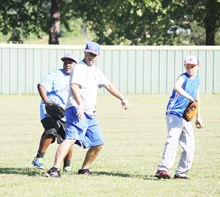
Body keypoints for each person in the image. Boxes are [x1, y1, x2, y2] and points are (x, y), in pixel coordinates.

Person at [45, 41, 130, 178]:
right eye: (88, 53)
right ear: (84, 52)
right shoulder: (79, 68)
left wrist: (122, 98)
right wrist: (80, 104)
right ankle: (55, 169)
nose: (90, 56)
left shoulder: (96, 71)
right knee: (71, 138)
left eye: (93, 54)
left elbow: (108, 85)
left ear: (98, 55)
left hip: (89, 112)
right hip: (76, 109)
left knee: (98, 143)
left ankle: (84, 169)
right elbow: (74, 87)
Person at [155, 55, 204, 179]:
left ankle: (181, 173)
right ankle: (162, 169)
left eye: (192, 66)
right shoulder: (183, 77)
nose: (190, 69)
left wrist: (199, 117)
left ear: (198, 66)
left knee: (190, 145)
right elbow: (177, 87)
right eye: (187, 66)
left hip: (185, 117)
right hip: (174, 112)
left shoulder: (197, 81)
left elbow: (197, 99)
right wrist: (190, 98)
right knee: (173, 138)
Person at [32, 53, 78, 173]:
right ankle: (39, 158)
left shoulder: (78, 78)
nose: (67, 64)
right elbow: (41, 85)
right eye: (65, 62)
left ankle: (67, 166)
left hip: (66, 112)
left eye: (71, 62)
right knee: (52, 130)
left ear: (76, 65)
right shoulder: (56, 75)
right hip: (50, 109)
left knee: (69, 138)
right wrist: (47, 102)